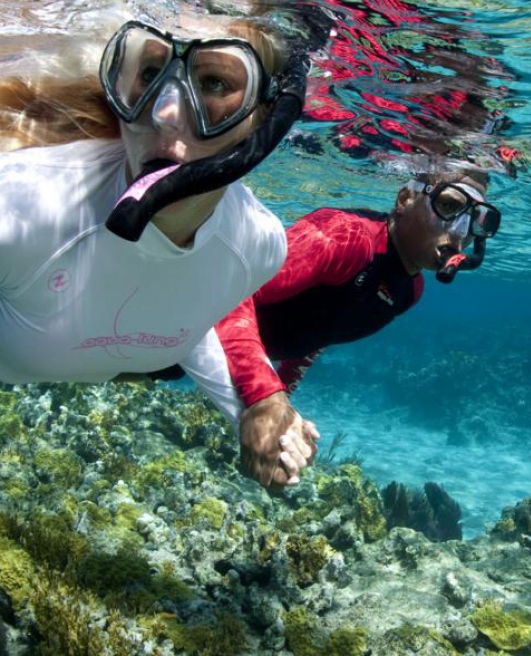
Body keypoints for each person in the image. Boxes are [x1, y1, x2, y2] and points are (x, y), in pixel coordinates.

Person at [0, 8, 324, 487]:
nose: (162, 112)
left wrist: (252, 408)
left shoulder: (259, 246)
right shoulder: (19, 210)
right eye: (149, 74)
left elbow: (185, 309)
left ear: (264, 120)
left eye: (214, 84)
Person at [201, 167, 501, 489]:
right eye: (450, 205)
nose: (458, 231)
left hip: (206, 353)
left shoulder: (409, 292)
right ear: (405, 197)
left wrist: (282, 414)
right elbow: (231, 294)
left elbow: (321, 331)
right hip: (177, 325)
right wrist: (265, 399)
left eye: (475, 220)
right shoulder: (345, 237)